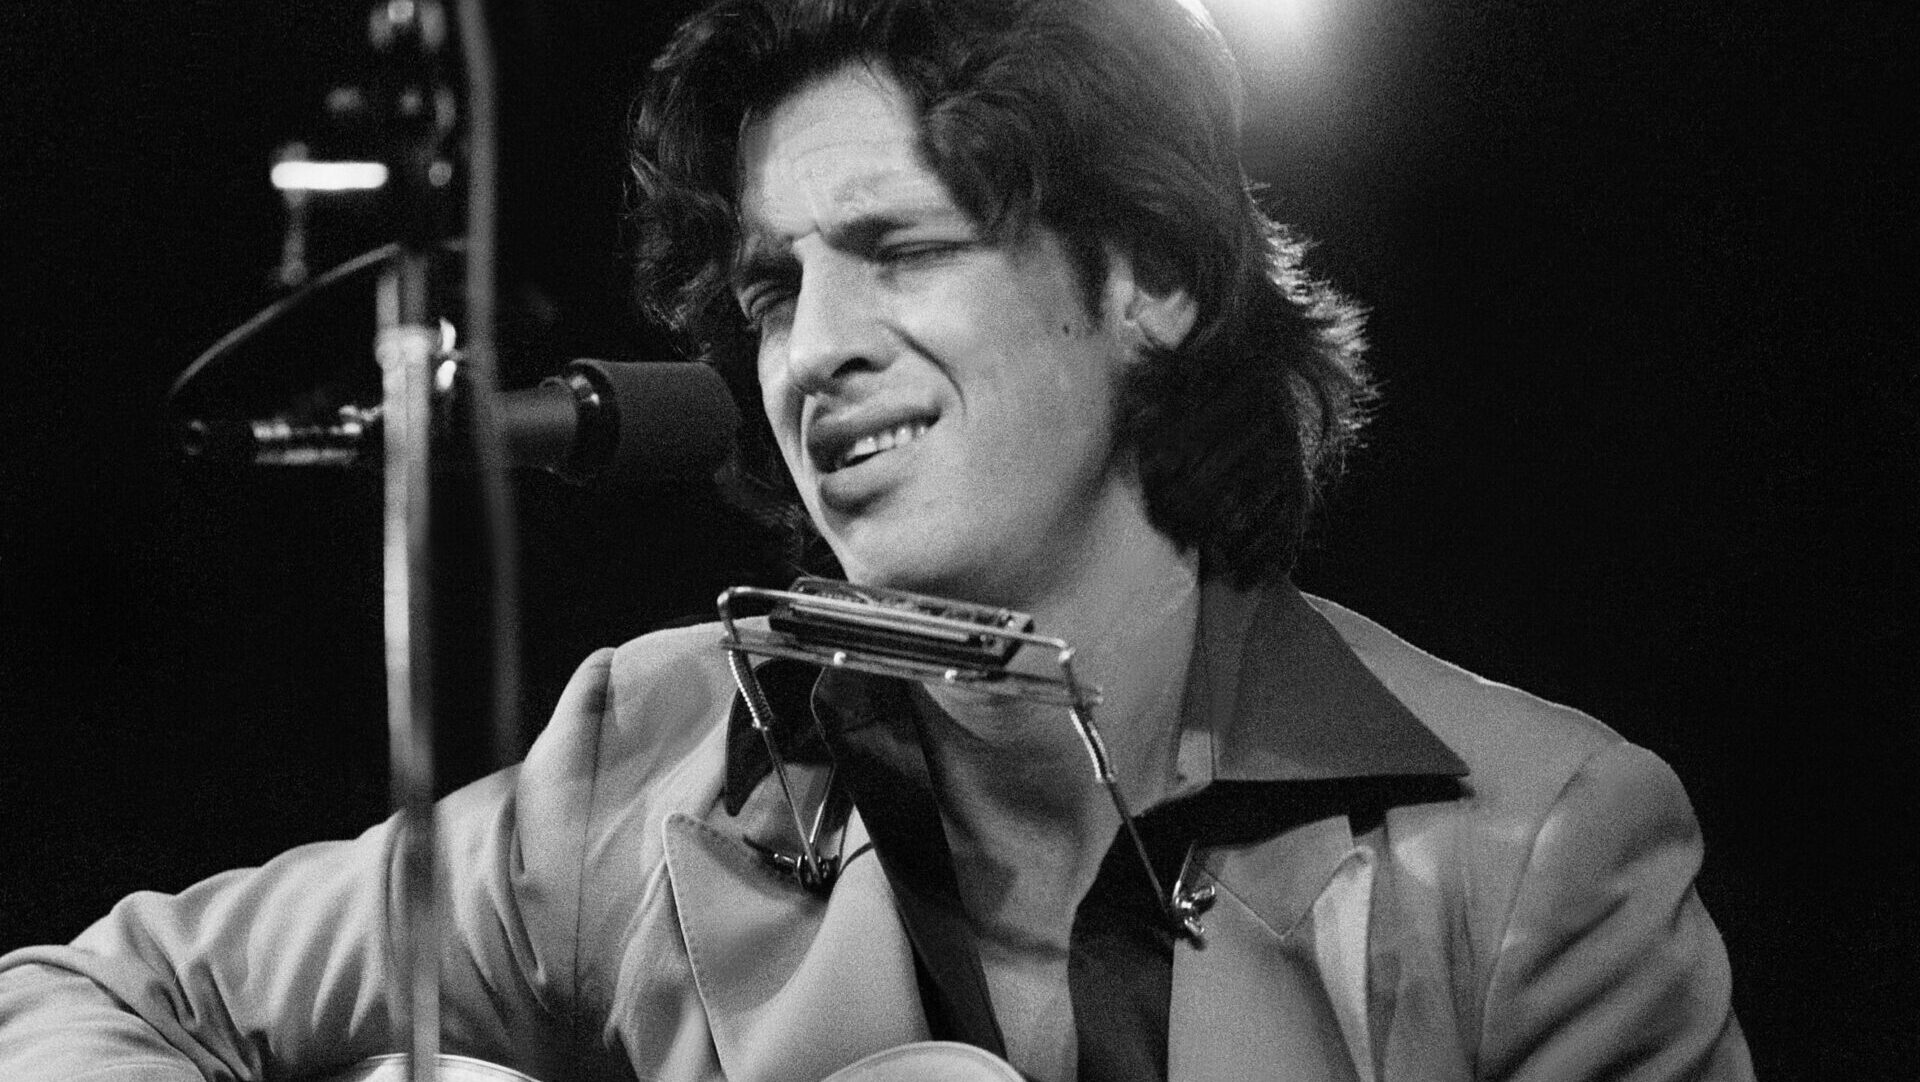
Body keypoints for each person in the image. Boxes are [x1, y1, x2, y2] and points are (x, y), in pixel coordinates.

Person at [0, 0, 1752, 1079]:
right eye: (772, 289)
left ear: (1150, 275)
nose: (808, 352)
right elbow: (79, 995)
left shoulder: (1540, 853)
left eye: (900, 248)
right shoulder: (648, 762)